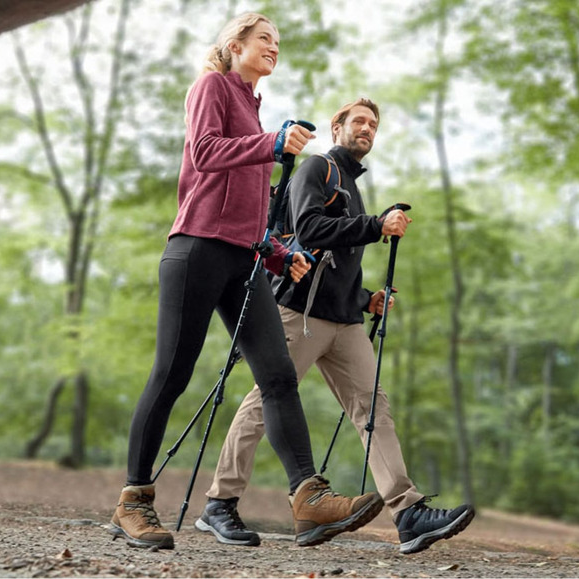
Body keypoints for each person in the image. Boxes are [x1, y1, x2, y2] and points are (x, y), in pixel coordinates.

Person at [108, 14, 384, 551]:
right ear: (234, 45)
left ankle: (308, 499)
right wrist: (271, 143)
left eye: (279, 43)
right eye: (265, 39)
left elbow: (253, 210)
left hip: (244, 260)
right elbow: (205, 153)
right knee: (172, 374)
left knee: (279, 375)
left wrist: (278, 251)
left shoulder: (258, 113)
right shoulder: (212, 87)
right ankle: (133, 501)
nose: (274, 48)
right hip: (196, 249)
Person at [196, 98, 475, 554]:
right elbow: (309, 229)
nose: (367, 128)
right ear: (337, 126)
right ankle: (220, 502)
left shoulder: (351, 183)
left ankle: (408, 513)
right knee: (265, 402)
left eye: (373, 124)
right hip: (298, 313)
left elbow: (338, 265)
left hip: (343, 321)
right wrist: (375, 226)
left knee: (373, 408)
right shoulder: (317, 169)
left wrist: (367, 299)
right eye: (358, 121)